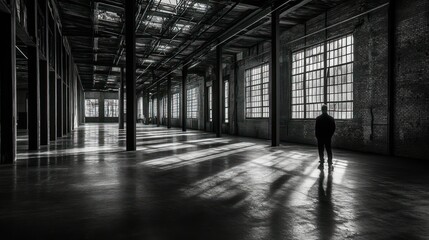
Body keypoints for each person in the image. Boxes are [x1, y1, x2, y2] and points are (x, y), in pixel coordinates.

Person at [315, 105, 336, 171]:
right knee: (328, 149)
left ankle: (322, 161)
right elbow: (333, 128)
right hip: (327, 137)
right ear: (327, 109)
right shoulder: (331, 118)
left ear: (322, 110)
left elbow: (316, 129)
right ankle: (329, 161)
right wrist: (330, 135)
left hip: (320, 137)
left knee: (321, 150)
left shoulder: (318, 118)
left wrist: (317, 136)